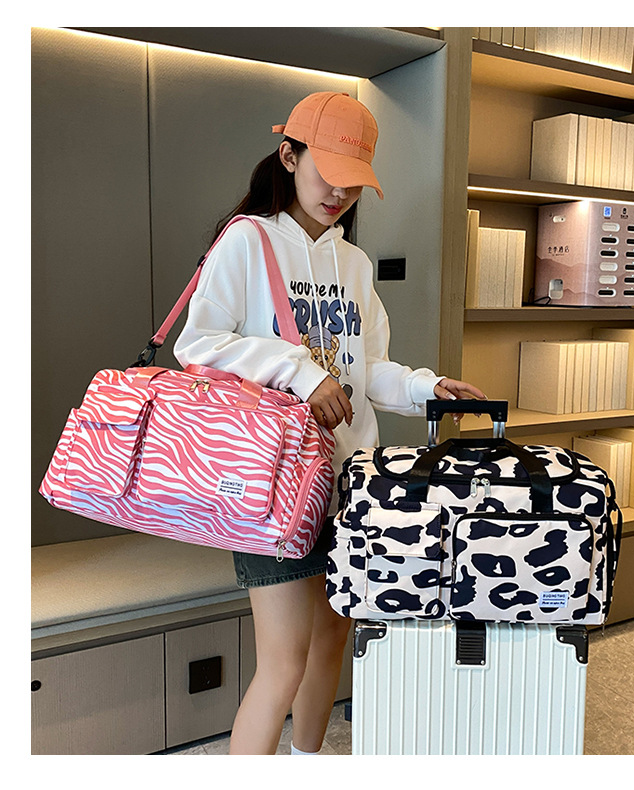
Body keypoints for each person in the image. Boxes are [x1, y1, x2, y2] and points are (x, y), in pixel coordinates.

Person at [174, 91, 486, 755]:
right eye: (328, 174)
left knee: (331, 640)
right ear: (289, 156)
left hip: (349, 481)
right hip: (273, 484)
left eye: (354, 182)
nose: (339, 194)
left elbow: (364, 367)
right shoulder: (248, 240)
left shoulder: (354, 263)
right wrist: (298, 371)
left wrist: (427, 388)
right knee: (283, 660)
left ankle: (306, 762)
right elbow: (197, 344)